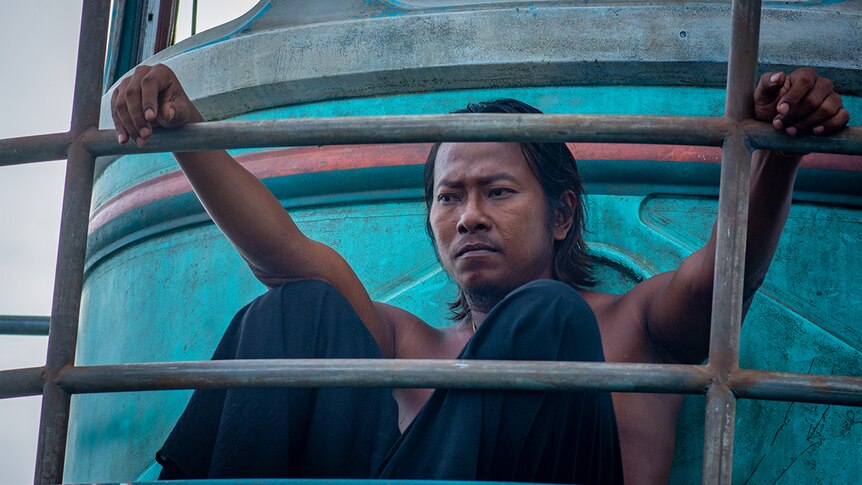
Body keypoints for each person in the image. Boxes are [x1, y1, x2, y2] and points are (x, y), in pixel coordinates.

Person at [111, 64, 849, 484]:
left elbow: (727, 279)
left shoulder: (631, 326)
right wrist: (184, 132)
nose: (468, 216)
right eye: (447, 197)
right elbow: (280, 254)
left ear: (561, 215)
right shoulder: (401, 339)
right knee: (295, 307)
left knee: (544, 316)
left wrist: (778, 151)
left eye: (497, 192)